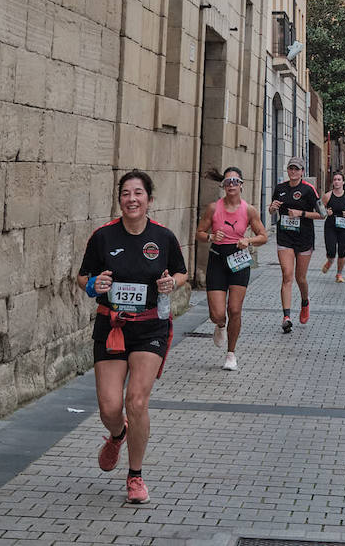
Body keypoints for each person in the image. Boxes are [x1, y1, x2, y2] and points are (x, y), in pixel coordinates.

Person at [77, 170, 187, 506]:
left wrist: (173, 284)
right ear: (120, 199)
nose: (132, 199)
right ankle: (117, 434)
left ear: (149, 200)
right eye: (126, 193)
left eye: (138, 193)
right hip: (112, 326)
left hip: (150, 327)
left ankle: (135, 475)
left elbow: (180, 272)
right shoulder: (103, 237)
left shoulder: (164, 238)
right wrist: (95, 286)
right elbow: (82, 277)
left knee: (136, 401)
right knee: (110, 407)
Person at [195, 166, 267, 370]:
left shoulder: (249, 209)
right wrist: (210, 236)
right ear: (223, 186)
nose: (231, 185)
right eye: (228, 182)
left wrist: (249, 240)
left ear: (241, 185)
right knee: (217, 313)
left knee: (234, 309)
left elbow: (263, 236)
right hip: (217, 259)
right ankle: (219, 325)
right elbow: (199, 233)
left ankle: (231, 354)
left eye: (235, 181)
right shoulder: (213, 208)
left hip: (239, 260)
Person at [269, 156, 322, 331]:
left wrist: (301, 213)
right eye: (291, 168)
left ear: (302, 172)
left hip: (304, 238)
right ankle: (286, 317)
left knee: (300, 278)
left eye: (297, 169)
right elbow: (272, 210)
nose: (293, 172)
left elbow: (322, 214)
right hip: (285, 237)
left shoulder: (309, 190)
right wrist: (272, 208)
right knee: (287, 275)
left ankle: (305, 301)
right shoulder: (280, 188)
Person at [321, 171, 345, 281]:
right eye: (335, 179)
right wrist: (326, 212)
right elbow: (319, 210)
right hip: (330, 226)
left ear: (343, 182)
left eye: (339, 180)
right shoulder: (327, 196)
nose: (337, 182)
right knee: (331, 250)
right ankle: (330, 261)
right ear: (332, 182)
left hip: (344, 227)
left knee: (342, 251)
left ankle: (339, 274)